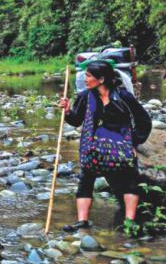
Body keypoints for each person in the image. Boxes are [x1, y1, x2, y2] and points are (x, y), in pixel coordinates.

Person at [58, 60, 151, 232]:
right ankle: (82, 221)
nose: (84, 79)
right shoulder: (85, 96)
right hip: (92, 147)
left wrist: (134, 142)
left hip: (120, 146)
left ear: (101, 79)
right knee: (86, 180)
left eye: (88, 76)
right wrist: (68, 111)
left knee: (131, 179)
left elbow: (144, 121)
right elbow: (76, 120)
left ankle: (129, 221)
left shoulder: (123, 97)